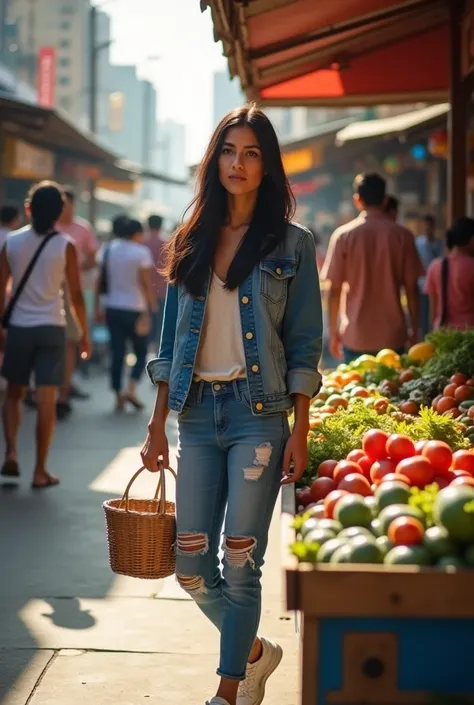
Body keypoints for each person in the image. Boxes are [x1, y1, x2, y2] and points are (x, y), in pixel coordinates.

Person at [141, 104, 323, 705]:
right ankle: (254, 654)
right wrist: (157, 421)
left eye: (250, 153)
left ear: (268, 165)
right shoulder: (191, 237)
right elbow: (169, 341)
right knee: (189, 566)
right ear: (213, 159)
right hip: (195, 416)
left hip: (259, 417)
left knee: (241, 562)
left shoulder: (292, 245)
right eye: (228, 151)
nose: (237, 164)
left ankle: (228, 690)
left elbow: (303, 343)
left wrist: (300, 428)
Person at [0, 181, 90, 488]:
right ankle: (40, 470)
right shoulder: (65, 245)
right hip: (53, 327)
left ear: (28, 209)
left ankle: (11, 451)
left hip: (19, 328)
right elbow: (76, 295)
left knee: (14, 393)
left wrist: (2, 327)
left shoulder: (10, 241)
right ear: (59, 212)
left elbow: (1, 291)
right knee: (47, 399)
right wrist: (84, 335)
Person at [322, 173, 423, 364]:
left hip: (355, 335)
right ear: (385, 200)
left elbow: (333, 290)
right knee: (394, 391)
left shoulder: (343, 236)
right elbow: (412, 289)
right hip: (394, 335)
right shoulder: (403, 235)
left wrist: (334, 332)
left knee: (357, 391)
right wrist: (415, 330)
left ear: (357, 200)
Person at [95, 218, 157, 411]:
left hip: (112, 307)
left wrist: (97, 306)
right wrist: (152, 305)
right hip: (136, 308)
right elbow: (145, 283)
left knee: (117, 352)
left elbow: (100, 281)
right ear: (136, 234)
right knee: (141, 352)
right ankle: (131, 388)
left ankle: (117, 395)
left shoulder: (107, 250)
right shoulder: (141, 252)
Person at [56, 186, 99, 417]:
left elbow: (92, 260)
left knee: (71, 342)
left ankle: (63, 391)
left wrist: (74, 268)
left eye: (67, 203)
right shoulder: (48, 227)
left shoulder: (83, 229)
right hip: (49, 293)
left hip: (75, 293)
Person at [424, 216, 474, 330]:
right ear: (471, 239)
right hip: (470, 333)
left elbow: (433, 309)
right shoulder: (471, 266)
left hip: (443, 333)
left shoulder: (435, 266)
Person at [415, 214, 444, 338]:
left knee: (435, 313)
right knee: (423, 315)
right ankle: (424, 338)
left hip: (437, 284)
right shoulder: (418, 243)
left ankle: (433, 336)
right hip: (422, 285)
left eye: (430, 226)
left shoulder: (439, 244)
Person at [143, 214, 168, 352]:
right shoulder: (167, 242)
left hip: (143, 292)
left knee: (146, 323)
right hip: (162, 290)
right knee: (160, 324)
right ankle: (157, 351)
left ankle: (144, 350)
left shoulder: (142, 242)